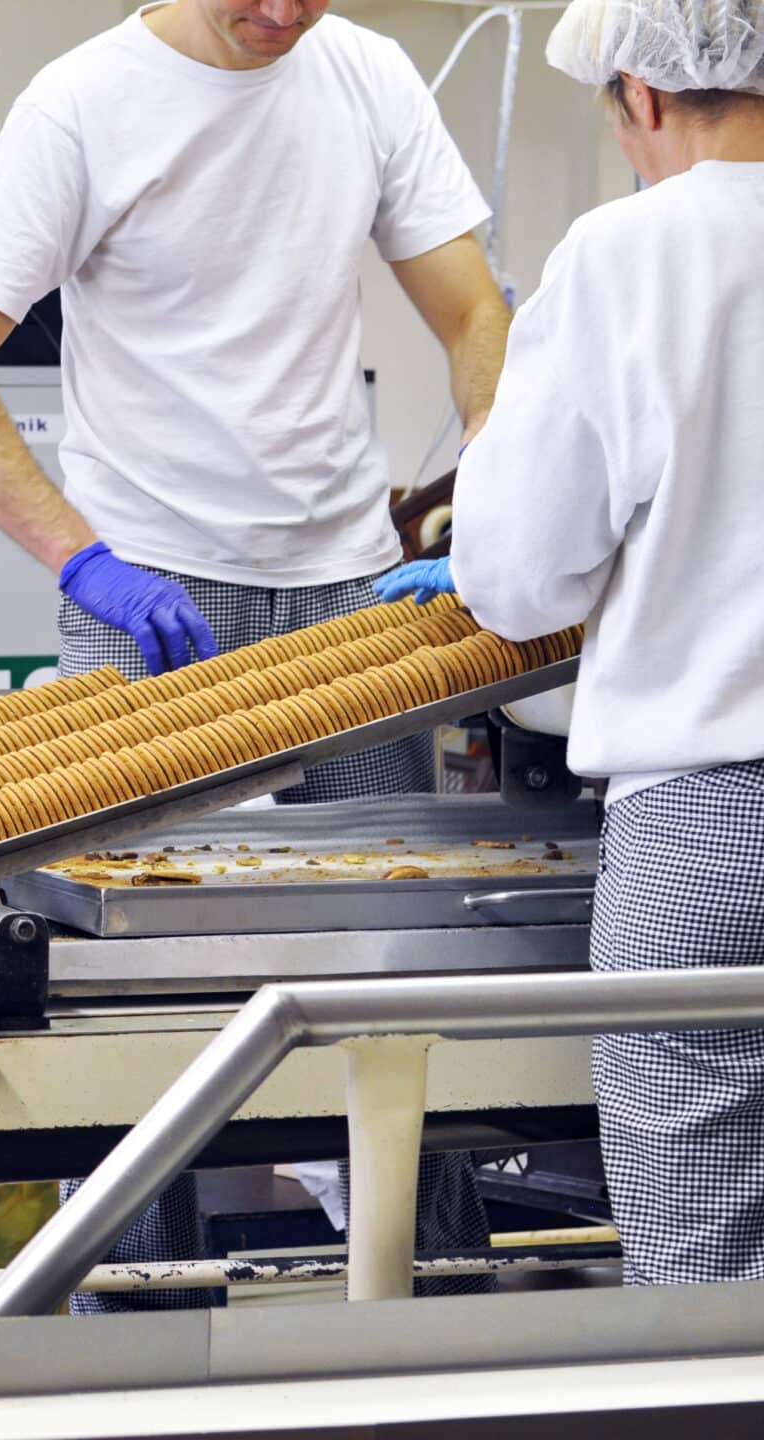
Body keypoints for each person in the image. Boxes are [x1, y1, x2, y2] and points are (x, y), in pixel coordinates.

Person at [0, 0, 514, 1311]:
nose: (284, 14)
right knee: (127, 980)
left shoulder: (369, 77)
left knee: (397, 951)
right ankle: (136, 1323)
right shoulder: (81, 104)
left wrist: (496, 508)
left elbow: (473, 315)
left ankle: (441, 1311)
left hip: (349, 590)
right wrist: (83, 559)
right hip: (147, 596)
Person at [375, 0, 764, 1286]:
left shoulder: (632, 254)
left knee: (703, 1278)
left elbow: (522, 573)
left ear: (640, 96)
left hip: (712, 830)